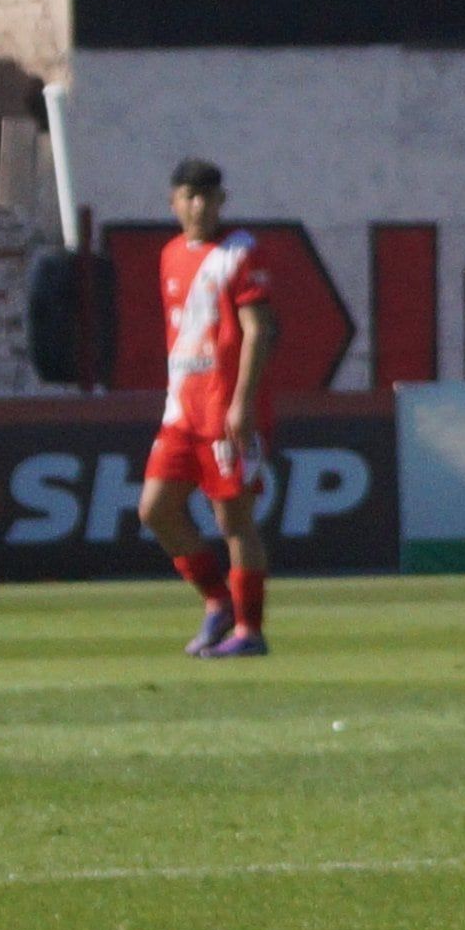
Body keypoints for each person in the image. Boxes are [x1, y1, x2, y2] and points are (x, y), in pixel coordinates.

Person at [144, 157, 276, 659]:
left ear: (222, 201)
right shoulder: (170, 254)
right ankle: (218, 602)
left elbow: (258, 330)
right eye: (189, 197)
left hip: (224, 411)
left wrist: (242, 403)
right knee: (156, 510)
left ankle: (249, 631)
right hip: (182, 410)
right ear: (174, 203)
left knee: (233, 522)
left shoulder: (238, 252)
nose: (198, 206)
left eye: (207, 197)